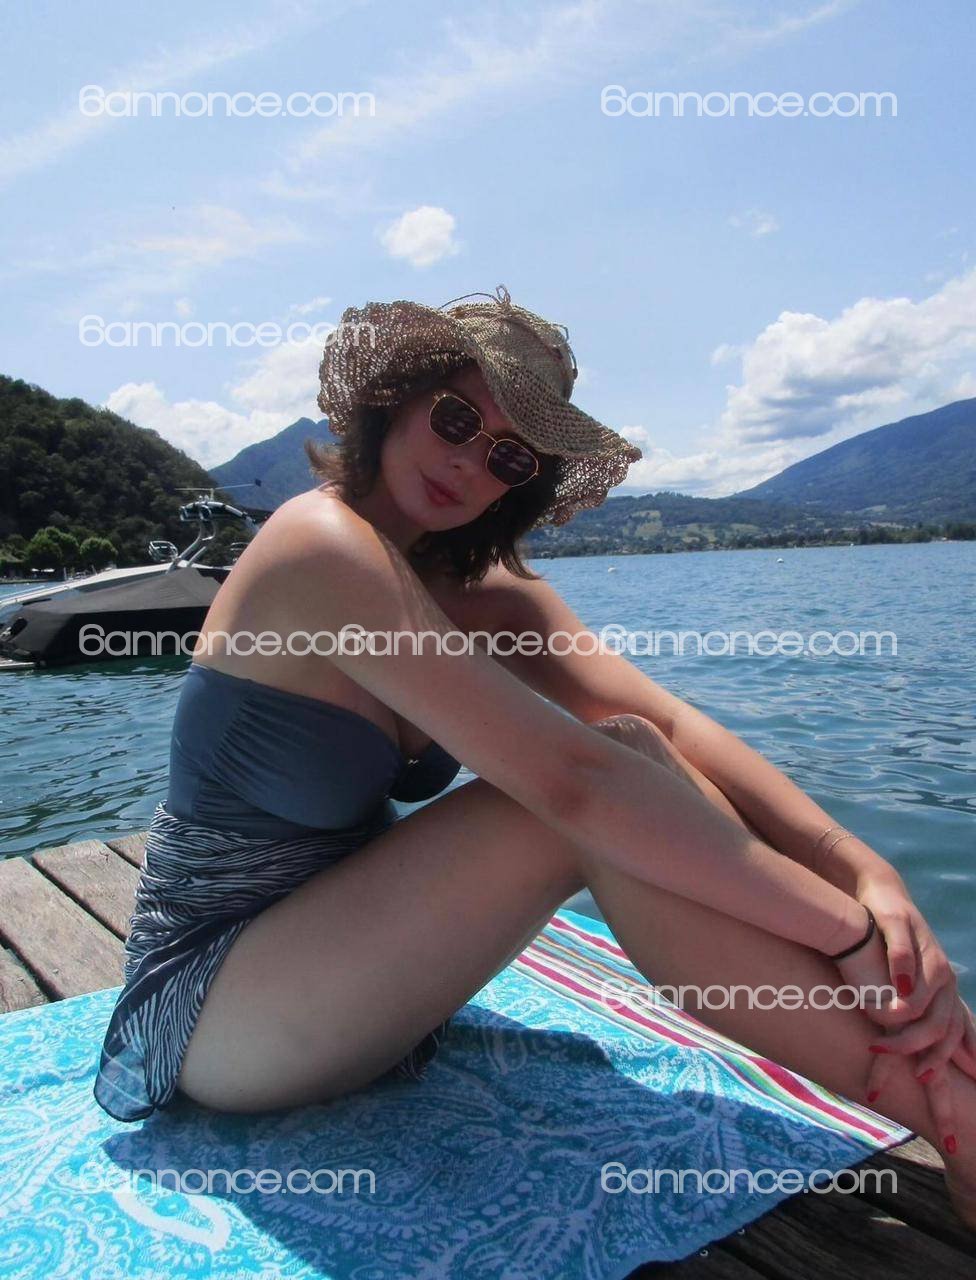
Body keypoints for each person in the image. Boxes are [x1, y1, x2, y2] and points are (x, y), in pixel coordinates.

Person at [93, 285, 976, 1227]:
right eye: (457, 417)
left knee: (633, 749)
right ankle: (947, 1108)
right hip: (211, 1011)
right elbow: (574, 788)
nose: (469, 459)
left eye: (508, 454)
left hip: (342, 987)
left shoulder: (488, 599)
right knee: (565, 802)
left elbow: (665, 728)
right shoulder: (318, 546)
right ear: (396, 398)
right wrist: (844, 934)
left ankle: (943, 1079)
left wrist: (863, 870)